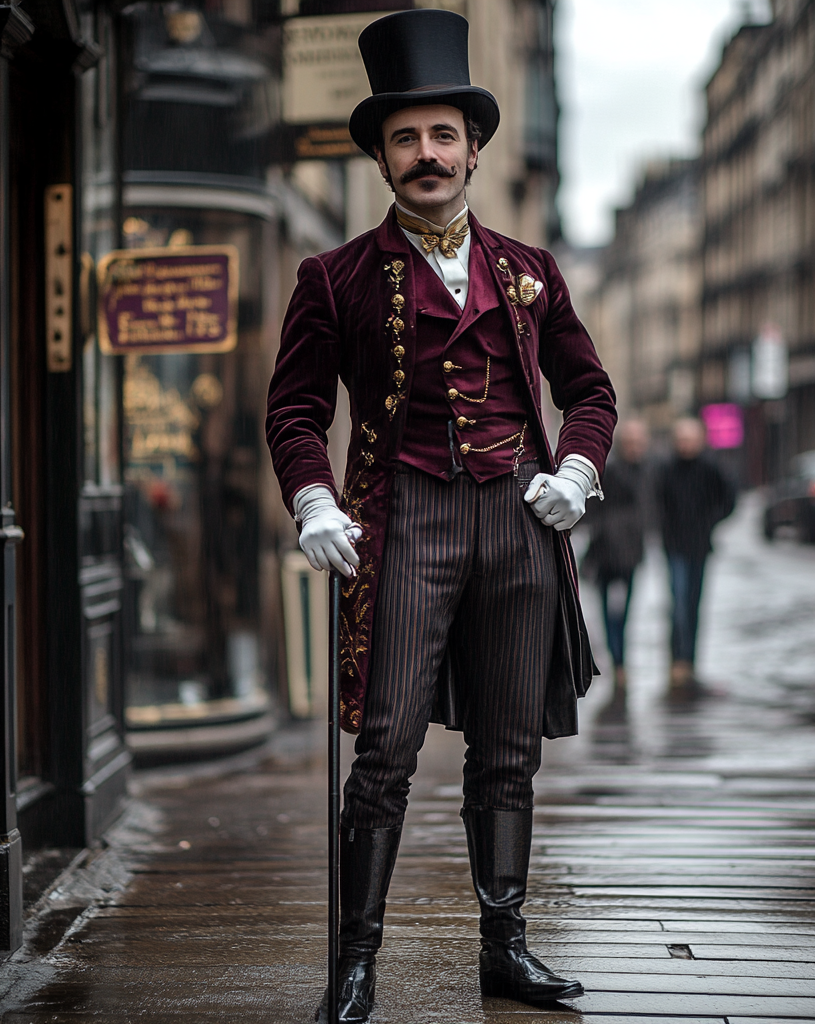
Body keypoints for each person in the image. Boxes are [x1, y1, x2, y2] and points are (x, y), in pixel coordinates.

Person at [265, 10, 616, 1021]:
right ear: (382, 155)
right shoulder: (329, 278)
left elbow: (588, 391)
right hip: (400, 520)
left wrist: (579, 468)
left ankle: (504, 948)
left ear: (472, 149)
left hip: (517, 517)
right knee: (385, 748)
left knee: (509, 745)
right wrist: (312, 495)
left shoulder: (530, 269)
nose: (426, 153)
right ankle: (357, 962)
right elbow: (293, 408)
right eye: (405, 138)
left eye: (442, 135)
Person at [656, 417, 735, 690]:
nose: (685, 445)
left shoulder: (711, 468)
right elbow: (656, 502)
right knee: (678, 603)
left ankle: (689, 660)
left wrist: (710, 522)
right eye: (682, 440)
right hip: (674, 546)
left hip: (699, 546)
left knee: (693, 605)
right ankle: (677, 658)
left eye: (690, 440)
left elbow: (728, 499)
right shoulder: (666, 468)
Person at [580, 419, 649, 701]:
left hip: (631, 555)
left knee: (624, 612)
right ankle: (617, 660)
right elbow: (592, 509)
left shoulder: (648, 471)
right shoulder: (609, 470)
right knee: (610, 612)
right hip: (607, 554)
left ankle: (620, 660)